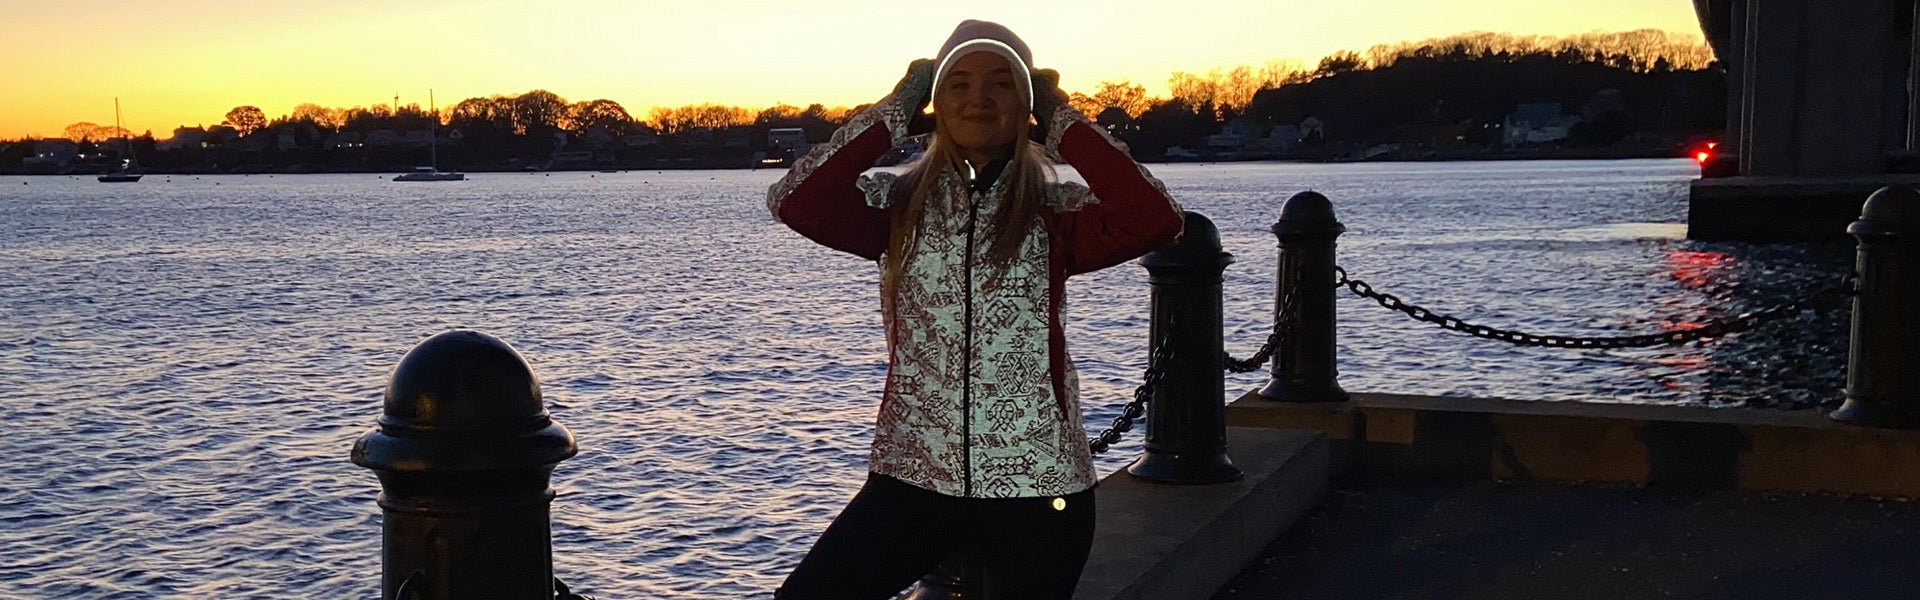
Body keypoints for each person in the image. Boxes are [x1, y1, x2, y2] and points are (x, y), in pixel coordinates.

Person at [764, 19, 1184, 599]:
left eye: (1002, 84)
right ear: (935, 104)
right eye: (956, 84)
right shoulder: (898, 210)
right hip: (912, 478)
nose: (978, 98)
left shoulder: (1053, 213)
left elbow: (1156, 218)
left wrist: (1062, 118)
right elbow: (795, 200)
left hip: (1040, 489)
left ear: (1026, 103)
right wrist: (896, 107)